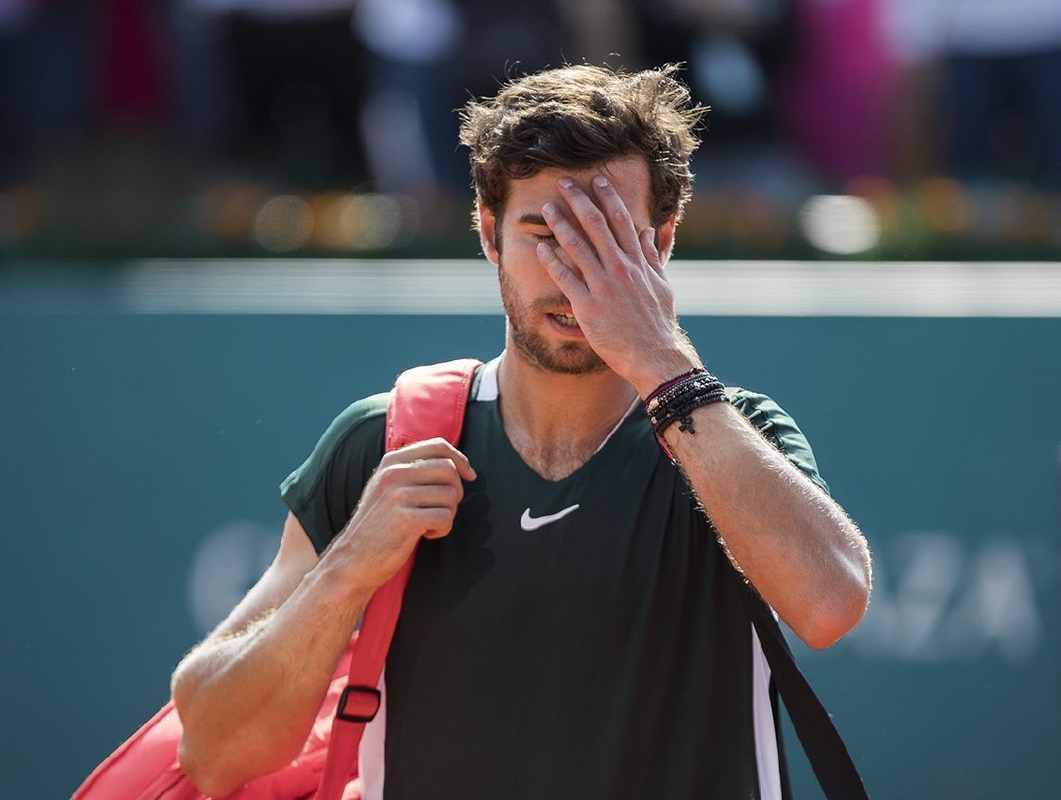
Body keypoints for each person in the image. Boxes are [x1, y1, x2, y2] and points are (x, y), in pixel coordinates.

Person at [170, 63, 872, 799]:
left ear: (662, 242)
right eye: (544, 234)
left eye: (607, 240)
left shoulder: (733, 434)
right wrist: (346, 569)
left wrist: (664, 363)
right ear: (488, 233)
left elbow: (831, 605)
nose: (572, 274)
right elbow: (212, 750)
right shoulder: (384, 443)